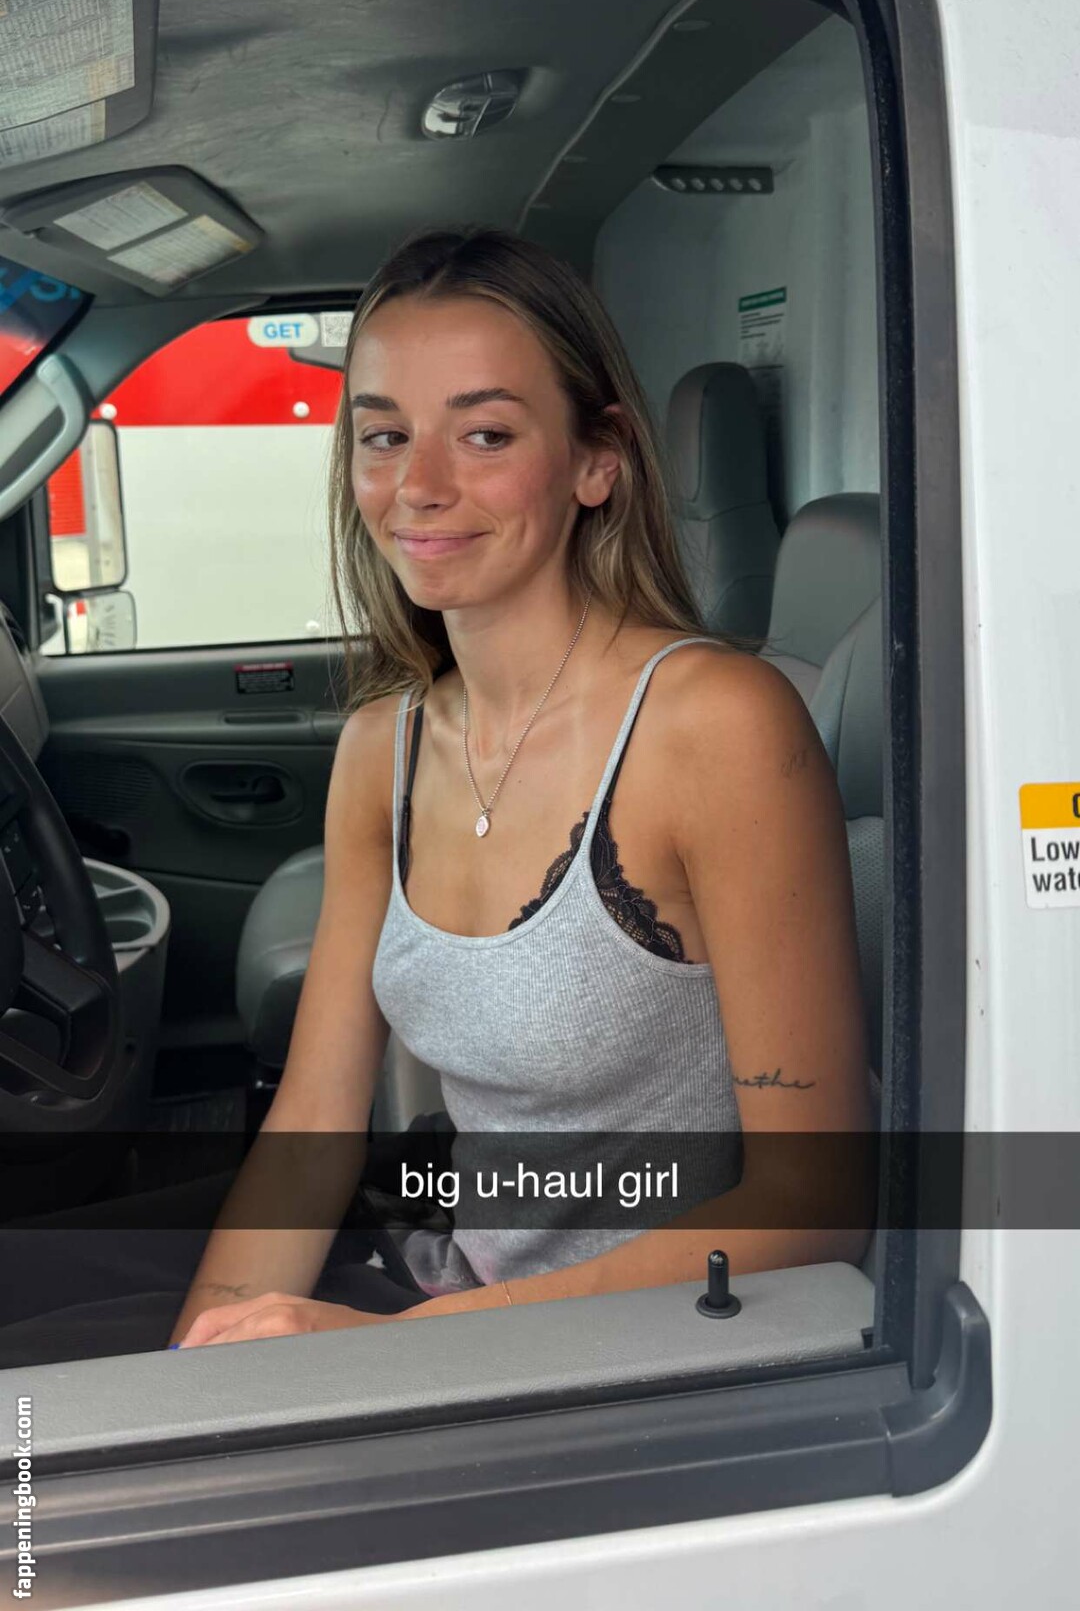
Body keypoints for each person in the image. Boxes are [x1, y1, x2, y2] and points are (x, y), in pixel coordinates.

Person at [0, 224, 872, 1367]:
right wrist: (197, 1369)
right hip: (444, 1267)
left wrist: (415, 1346)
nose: (418, 485)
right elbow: (315, 1123)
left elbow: (816, 1203)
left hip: (630, 1353)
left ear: (597, 460)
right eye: (385, 436)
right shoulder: (388, 742)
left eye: (485, 434)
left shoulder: (716, 727)